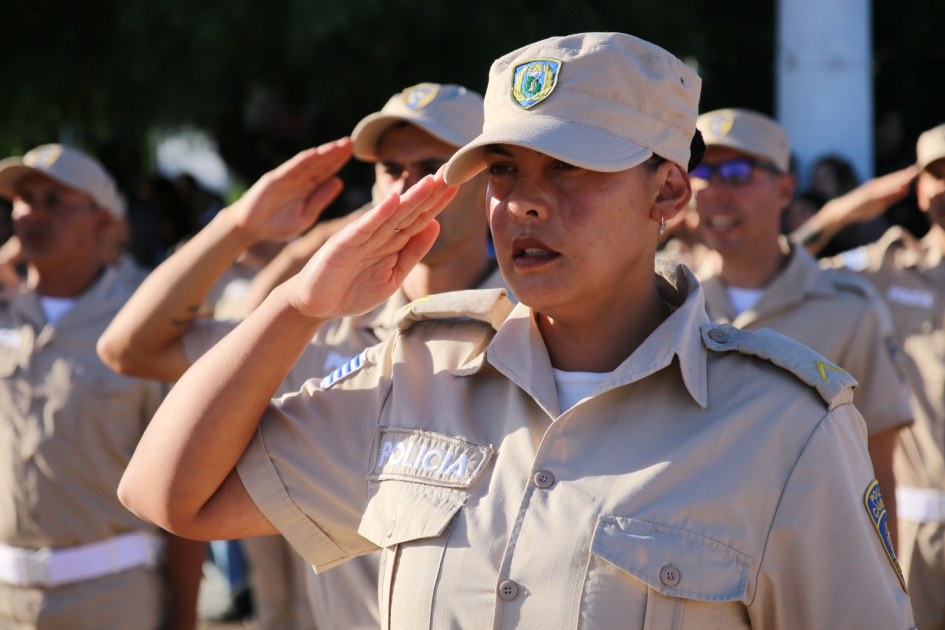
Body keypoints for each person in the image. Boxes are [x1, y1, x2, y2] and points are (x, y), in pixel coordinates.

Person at [116, 33, 913, 628]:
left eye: (570, 168)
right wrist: (298, 306)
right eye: (503, 170)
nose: (523, 203)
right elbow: (167, 494)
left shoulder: (782, 422)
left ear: (668, 193)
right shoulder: (420, 373)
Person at [98, 83, 500, 629]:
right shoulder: (324, 322)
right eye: (389, 168)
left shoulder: (534, 322)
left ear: (488, 181)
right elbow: (130, 349)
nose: (407, 184)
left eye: (433, 164)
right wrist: (238, 225)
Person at [0, 144, 203, 630]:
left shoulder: (141, 327)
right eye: (24, 199)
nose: (32, 213)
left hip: (112, 598)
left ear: (105, 223)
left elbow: (185, 485)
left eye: (56, 201)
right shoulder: (6, 311)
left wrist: (184, 618)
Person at [689, 109, 914, 540]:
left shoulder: (850, 310)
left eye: (737, 172)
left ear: (785, 188)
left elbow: (878, 469)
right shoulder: (667, 301)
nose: (714, 190)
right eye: (701, 172)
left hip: (809, 566)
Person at [796, 122, 945, 630]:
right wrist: (843, 210)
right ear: (916, 188)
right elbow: (780, 273)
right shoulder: (887, 266)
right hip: (921, 525)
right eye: (938, 174)